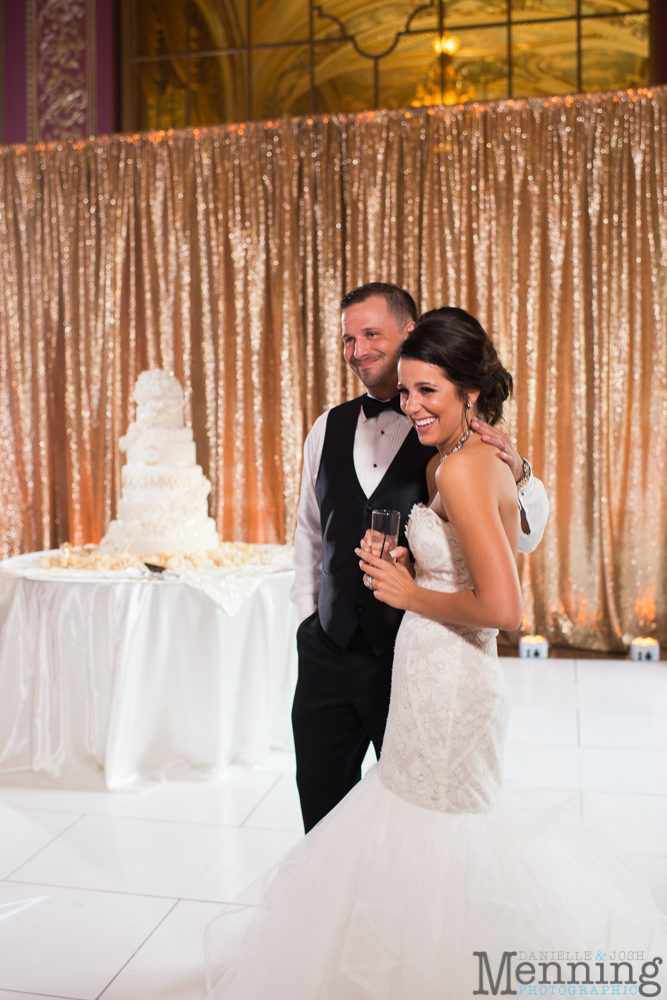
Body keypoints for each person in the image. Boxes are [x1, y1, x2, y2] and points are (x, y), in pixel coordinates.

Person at [206, 307, 665, 998]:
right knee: (361, 822)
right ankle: (373, 958)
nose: (409, 399)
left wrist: (404, 592)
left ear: (464, 388)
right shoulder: (383, 438)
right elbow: (311, 529)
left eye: (425, 388)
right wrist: (333, 607)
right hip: (344, 650)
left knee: (434, 833)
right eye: (408, 389)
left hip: (436, 672)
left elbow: (506, 593)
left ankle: (429, 971)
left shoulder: (464, 459)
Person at [290, 282, 549, 832]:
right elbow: (311, 535)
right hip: (329, 653)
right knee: (323, 817)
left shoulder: (456, 441)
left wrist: (521, 471)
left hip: (408, 664)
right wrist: (308, 623)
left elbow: (519, 540)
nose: (357, 350)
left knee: (413, 826)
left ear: (409, 334)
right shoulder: (327, 429)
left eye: (370, 335)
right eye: (347, 339)